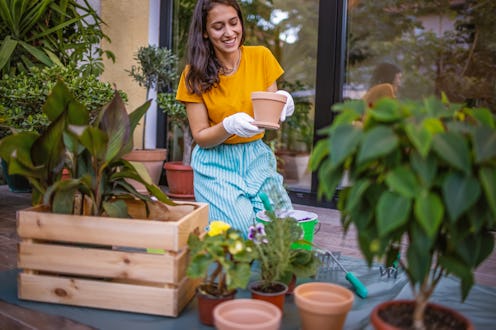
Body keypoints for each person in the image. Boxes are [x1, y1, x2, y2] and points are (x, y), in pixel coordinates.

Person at [175, 0, 294, 233]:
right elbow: (200, 136)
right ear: (205, 32)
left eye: (233, 22)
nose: (229, 33)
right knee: (240, 230)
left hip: (256, 157)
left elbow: (271, 118)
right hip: (215, 162)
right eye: (218, 27)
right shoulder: (194, 75)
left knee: (283, 228)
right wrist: (228, 126)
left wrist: (283, 102)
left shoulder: (261, 57)